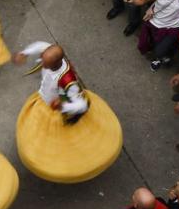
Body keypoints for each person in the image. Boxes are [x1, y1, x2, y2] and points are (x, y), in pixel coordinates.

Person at [12, 42, 123, 183]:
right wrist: (25, 52)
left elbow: (81, 105)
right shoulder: (50, 55)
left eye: (44, 62)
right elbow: (41, 46)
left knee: (59, 145)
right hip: (44, 100)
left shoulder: (68, 81)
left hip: (57, 112)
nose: (41, 63)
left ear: (56, 63)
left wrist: (62, 107)